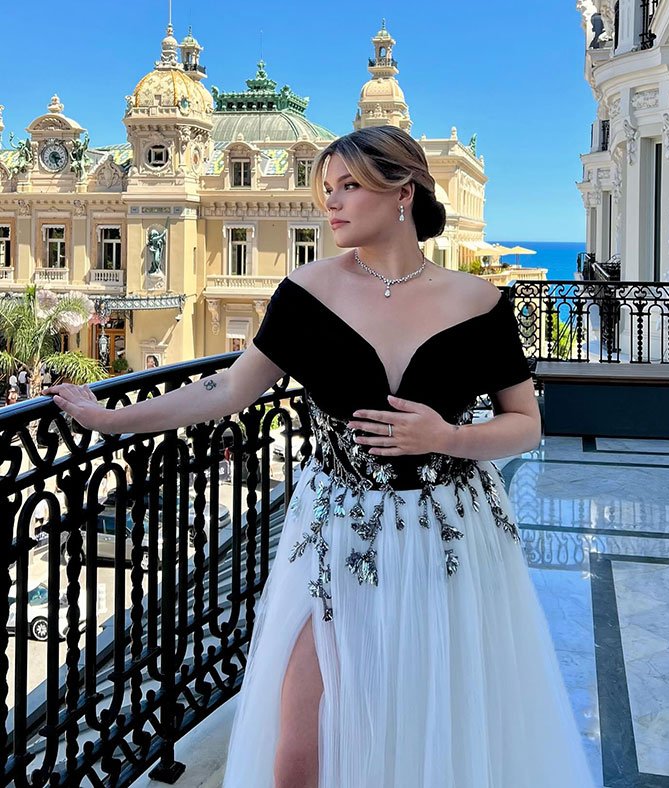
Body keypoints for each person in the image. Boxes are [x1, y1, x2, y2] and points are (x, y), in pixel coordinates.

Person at [43, 125, 596, 788]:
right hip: (337, 530)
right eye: (326, 188)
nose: (331, 203)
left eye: (349, 186)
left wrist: (447, 438)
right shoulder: (306, 291)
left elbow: (525, 425)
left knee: (426, 715)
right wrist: (110, 419)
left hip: (447, 531)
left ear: (403, 192)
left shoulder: (479, 303)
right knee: (298, 736)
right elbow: (228, 389)